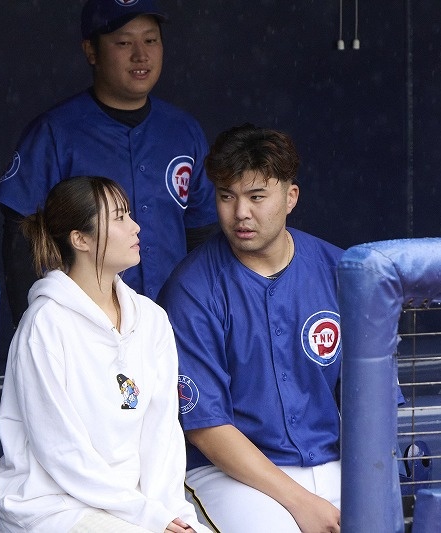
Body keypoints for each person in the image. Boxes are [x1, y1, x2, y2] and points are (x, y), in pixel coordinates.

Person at [0, 176, 212, 533]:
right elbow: (61, 451)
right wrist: (148, 516)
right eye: (120, 218)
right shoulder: (45, 324)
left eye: (130, 215)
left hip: (134, 509)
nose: (135, 227)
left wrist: (172, 514)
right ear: (80, 239)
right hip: (53, 507)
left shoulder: (152, 319)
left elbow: (162, 437)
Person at [157, 124, 348, 532]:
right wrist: (302, 502)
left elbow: (372, 400)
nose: (240, 212)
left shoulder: (341, 271)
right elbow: (207, 427)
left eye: (256, 196)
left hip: (334, 460)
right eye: (227, 196)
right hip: (233, 475)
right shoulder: (191, 288)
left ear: (290, 197)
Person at [0, 0, 218, 325]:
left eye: (150, 40)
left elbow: (202, 236)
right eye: (124, 43)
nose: (141, 55)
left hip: (172, 326)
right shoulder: (55, 132)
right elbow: (22, 241)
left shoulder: (183, 131)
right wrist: (36, 326)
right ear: (91, 51)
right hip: (84, 327)